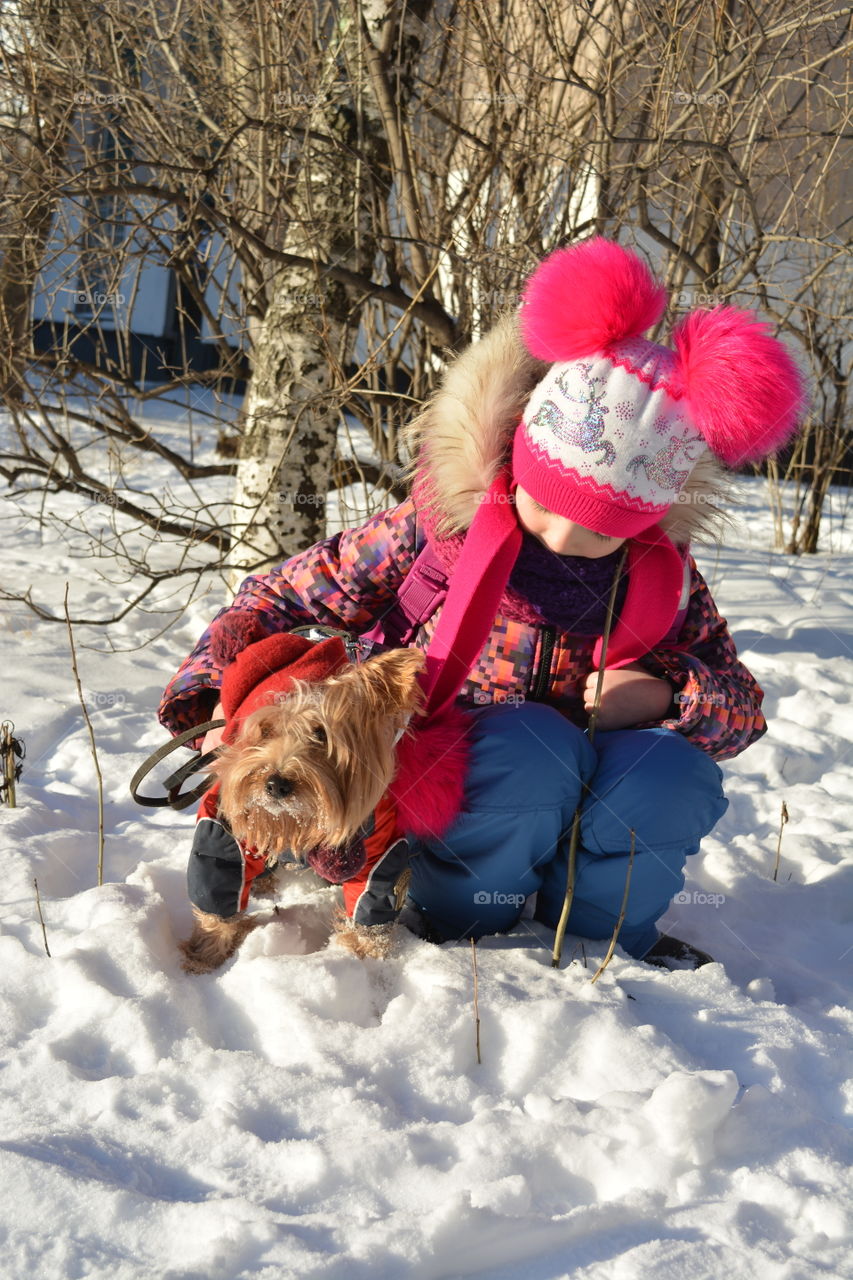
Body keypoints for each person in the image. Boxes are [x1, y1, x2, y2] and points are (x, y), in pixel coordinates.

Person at [158, 237, 804, 968]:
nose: (559, 537)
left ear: (645, 522)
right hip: (451, 804)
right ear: (515, 461)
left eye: (597, 530)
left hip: (587, 800)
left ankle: (600, 938)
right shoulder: (438, 531)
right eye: (543, 503)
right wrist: (222, 702)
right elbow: (270, 601)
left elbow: (740, 710)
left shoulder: (664, 577)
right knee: (527, 747)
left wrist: (669, 696)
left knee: (668, 772)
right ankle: (463, 928)